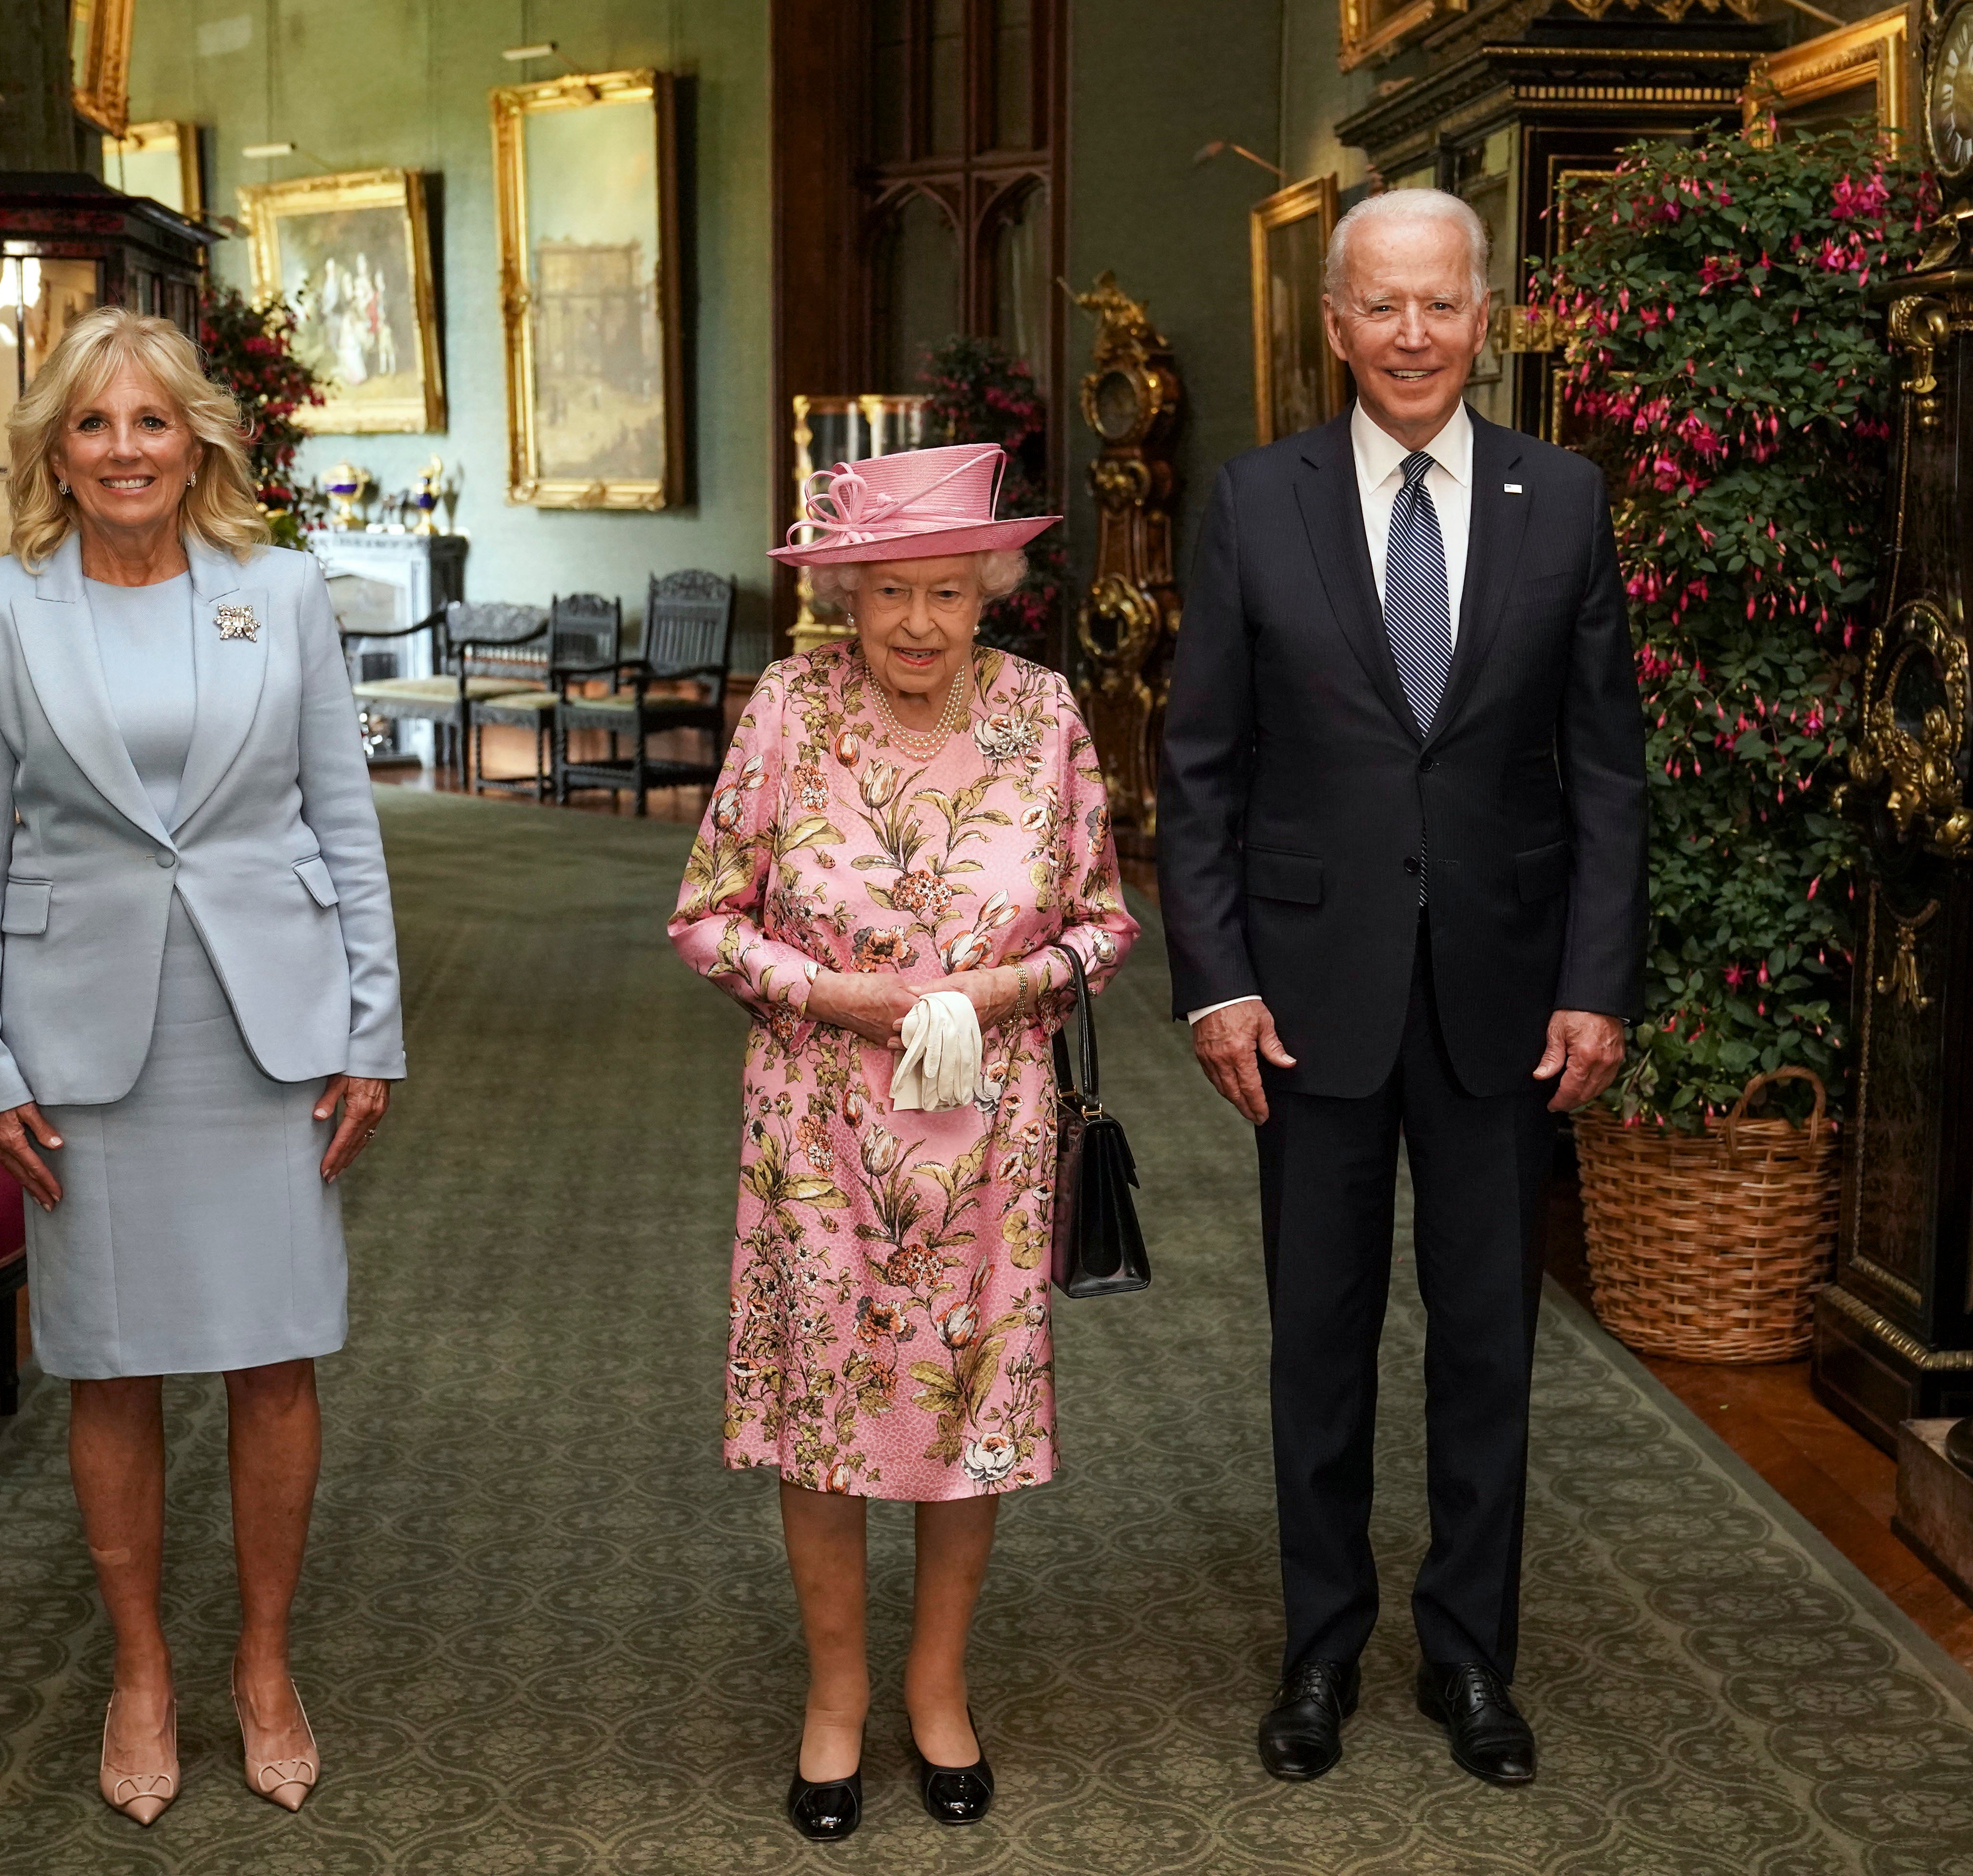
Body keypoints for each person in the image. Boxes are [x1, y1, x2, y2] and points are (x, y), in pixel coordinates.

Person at [1158, 188, 1647, 1790]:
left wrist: (1596, 982)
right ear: (1332, 321)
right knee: (1318, 1341)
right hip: (1307, 1002)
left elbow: (1604, 774)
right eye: (1383, 308)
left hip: (1509, 1005)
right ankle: (1317, 1656)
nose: (1414, 337)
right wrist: (1216, 986)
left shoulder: (1561, 500)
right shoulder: (1252, 500)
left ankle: (1467, 1659)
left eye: (1442, 305)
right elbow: (1201, 767)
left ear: (1485, 313)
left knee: (1490, 1347)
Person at [0, 305, 405, 1825]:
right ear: (54, 454)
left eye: (151, 422)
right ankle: (141, 1669)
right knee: (113, 1360)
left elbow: (344, 820)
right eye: (92, 425)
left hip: (268, 1029)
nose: (125, 449)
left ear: (196, 436)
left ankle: (263, 1662)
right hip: (82, 1041)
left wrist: (369, 1030)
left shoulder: (278, 594)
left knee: (275, 1353)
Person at [670, 444, 1138, 1842]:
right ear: (847, 599)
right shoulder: (787, 708)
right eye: (890, 596)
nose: (921, 624)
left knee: (962, 1412)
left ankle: (937, 1688)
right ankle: (833, 1698)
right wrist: (828, 992)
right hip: (818, 1125)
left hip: (989, 1128)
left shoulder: (1042, 713)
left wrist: (991, 994)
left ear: (991, 587)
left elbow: (1104, 925)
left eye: (948, 592)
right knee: (826, 1418)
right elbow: (705, 914)